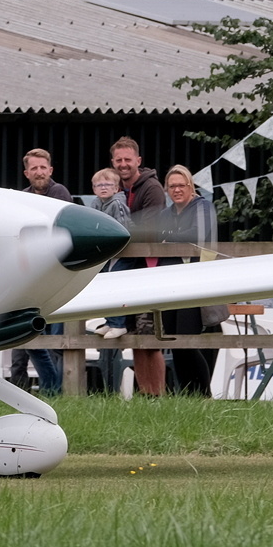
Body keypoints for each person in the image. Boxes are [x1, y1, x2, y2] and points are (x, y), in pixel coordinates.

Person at [11, 149, 73, 392]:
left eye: (42, 167)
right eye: (34, 168)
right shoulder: (23, 196)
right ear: (26, 173)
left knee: (54, 339)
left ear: (50, 170)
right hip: (30, 275)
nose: (39, 172)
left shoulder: (59, 193)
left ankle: (53, 390)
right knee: (27, 338)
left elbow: (53, 229)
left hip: (56, 275)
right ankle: (25, 391)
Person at [110, 136, 167, 396]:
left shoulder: (152, 188)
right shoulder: (113, 190)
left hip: (149, 271)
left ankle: (158, 394)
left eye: (128, 160)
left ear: (138, 161)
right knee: (133, 337)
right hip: (126, 272)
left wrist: (118, 234)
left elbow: (151, 231)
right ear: (113, 162)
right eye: (119, 160)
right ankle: (145, 393)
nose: (123, 164)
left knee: (149, 338)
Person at [159, 165, 219, 395]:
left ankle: (203, 394)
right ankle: (186, 395)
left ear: (190, 186)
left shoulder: (203, 207)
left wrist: (171, 237)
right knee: (174, 341)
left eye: (180, 185)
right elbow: (157, 237)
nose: (176, 190)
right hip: (169, 282)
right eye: (172, 186)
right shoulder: (166, 213)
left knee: (188, 340)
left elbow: (197, 234)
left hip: (196, 281)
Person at [88, 168, 132, 340]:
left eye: (108, 184)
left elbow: (123, 228)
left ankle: (119, 324)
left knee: (116, 286)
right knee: (104, 284)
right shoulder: (94, 204)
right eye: (99, 185)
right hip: (104, 252)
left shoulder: (117, 204)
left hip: (120, 253)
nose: (103, 187)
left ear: (116, 188)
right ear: (94, 189)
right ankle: (109, 320)